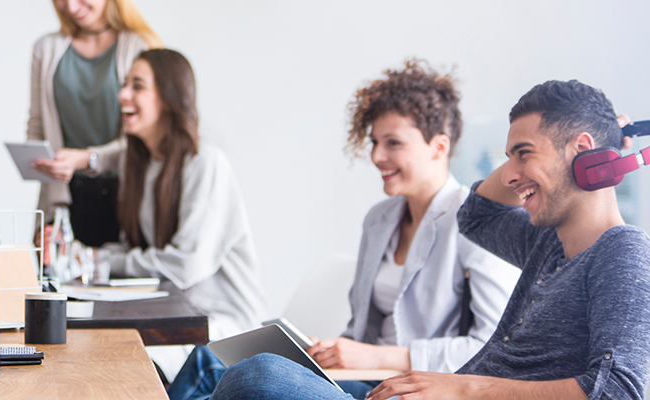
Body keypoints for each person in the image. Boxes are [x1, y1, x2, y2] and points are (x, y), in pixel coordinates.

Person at [212, 80, 650, 400]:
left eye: (524, 153)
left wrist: (463, 387)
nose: (511, 176)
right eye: (507, 157)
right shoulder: (549, 244)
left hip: (455, 392)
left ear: (583, 149)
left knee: (259, 378)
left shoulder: (623, 252)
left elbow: (620, 391)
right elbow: (476, 215)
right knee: (245, 370)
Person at [167, 60, 520, 400]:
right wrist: (331, 353)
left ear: (438, 147)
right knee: (208, 360)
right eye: (374, 142)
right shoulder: (380, 220)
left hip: (412, 389)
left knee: (259, 374)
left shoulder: (475, 223)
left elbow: (490, 351)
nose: (377, 156)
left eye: (393, 142)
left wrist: (376, 357)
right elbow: (361, 330)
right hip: (361, 378)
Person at [97, 48, 266, 353]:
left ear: (169, 96)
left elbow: (186, 264)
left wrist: (105, 262)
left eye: (137, 86)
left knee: (126, 360)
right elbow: (135, 248)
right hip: (169, 315)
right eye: (124, 84)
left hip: (221, 327)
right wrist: (91, 259)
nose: (122, 94)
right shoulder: (138, 165)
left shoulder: (205, 161)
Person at [27, 0, 160, 246]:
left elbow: (145, 136)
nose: (69, 5)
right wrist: (39, 161)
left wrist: (87, 158)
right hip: (63, 198)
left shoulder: (138, 47)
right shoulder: (46, 49)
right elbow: (37, 124)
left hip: (123, 196)